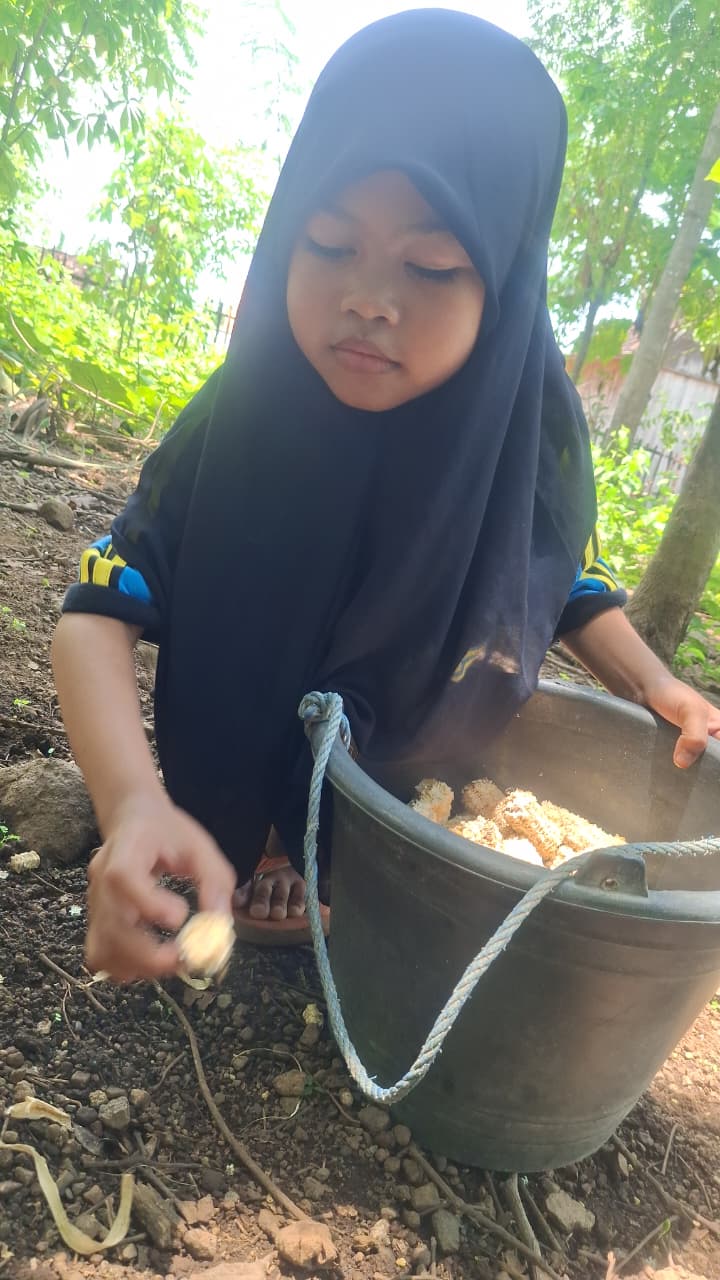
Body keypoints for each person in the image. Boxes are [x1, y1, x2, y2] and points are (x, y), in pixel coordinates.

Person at [52, 9, 720, 983]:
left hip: (401, 754)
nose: (368, 297)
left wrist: (653, 684)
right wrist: (129, 804)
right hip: (242, 723)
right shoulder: (244, 416)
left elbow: (556, 571)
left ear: (505, 279)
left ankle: (358, 848)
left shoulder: (517, 431)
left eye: (431, 264)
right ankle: (262, 834)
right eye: (328, 244)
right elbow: (98, 605)